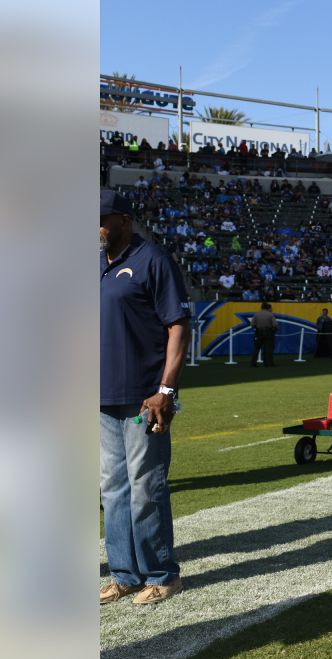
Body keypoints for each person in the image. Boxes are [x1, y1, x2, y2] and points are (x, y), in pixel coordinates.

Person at [99, 189, 191, 606]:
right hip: (101, 396)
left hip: (144, 397)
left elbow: (178, 326)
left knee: (145, 487)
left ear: (123, 219)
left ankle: (161, 573)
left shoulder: (152, 260)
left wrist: (166, 389)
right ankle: (124, 573)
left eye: (100, 218)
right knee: (112, 488)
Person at [250, 302, 277, 366]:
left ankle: (253, 363)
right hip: (268, 332)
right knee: (268, 349)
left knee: (256, 348)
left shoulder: (256, 314)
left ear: (261, 307)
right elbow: (275, 325)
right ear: (268, 308)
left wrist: (257, 328)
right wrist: (273, 330)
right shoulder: (270, 315)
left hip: (259, 332)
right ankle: (268, 363)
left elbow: (252, 324)